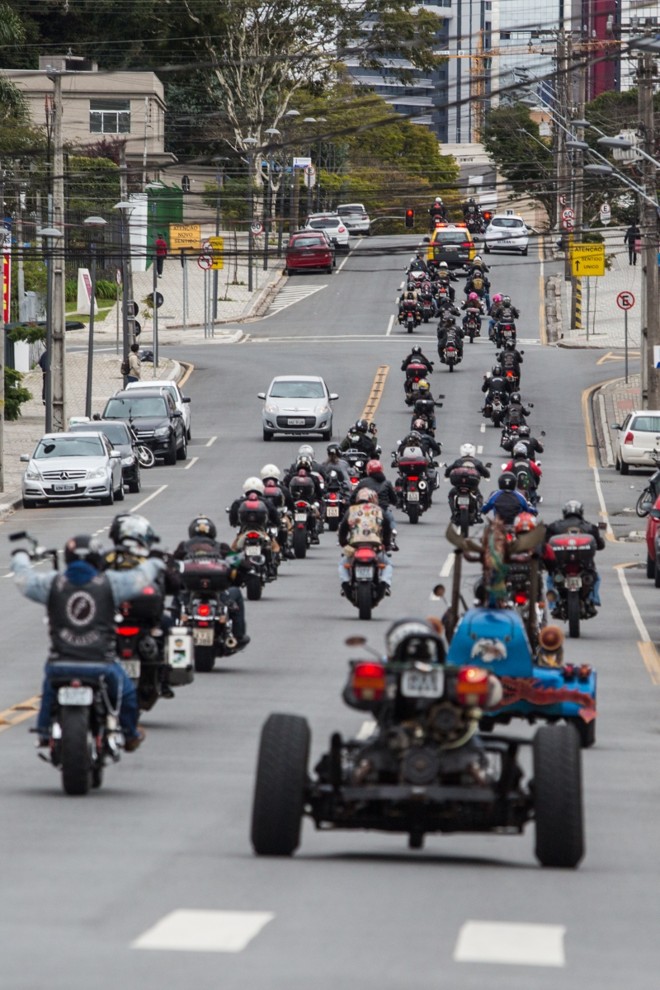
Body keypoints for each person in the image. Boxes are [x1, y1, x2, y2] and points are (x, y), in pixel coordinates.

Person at [11, 534, 165, 750]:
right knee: (128, 694)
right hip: (102, 664)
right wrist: (156, 562)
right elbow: (140, 577)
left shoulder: (53, 583)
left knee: (49, 689)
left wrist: (19, 557)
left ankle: (45, 732)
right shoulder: (110, 583)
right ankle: (130, 734)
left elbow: (24, 579)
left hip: (61, 664)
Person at [173, 516, 250, 648]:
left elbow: (172, 565)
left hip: (191, 591)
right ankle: (238, 635)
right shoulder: (221, 547)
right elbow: (239, 563)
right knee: (235, 593)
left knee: (177, 600)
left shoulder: (184, 547)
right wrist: (247, 568)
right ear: (212, 532)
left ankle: (173, 632)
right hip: (216, 592)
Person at [544, 499, 605, 608]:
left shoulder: (555, 526)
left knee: (550, 578)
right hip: (583, 565)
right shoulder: (589, 527)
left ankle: (552, 604)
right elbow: (600, 545)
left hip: (561, 565)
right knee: (596, 577)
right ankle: (594, 597)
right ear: (581, 512)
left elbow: (545, 542)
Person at [338, 487, 393, 598]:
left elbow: (343, 529)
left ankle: (345, 583)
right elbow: (387, 529)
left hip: (355, 545)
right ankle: (385, 582)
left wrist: (344, 543)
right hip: (374, 545)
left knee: (343, 564)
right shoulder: (379, 510)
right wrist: (386, 544)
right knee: (388, 564)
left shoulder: (352, 510)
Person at [351, 459, 399, 549]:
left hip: (364, 511)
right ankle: (392, 540)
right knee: (390, 518)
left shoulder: (363, 482)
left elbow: (353, 498)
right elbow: (394, 499)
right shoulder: (387, 483)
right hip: (382, 510)